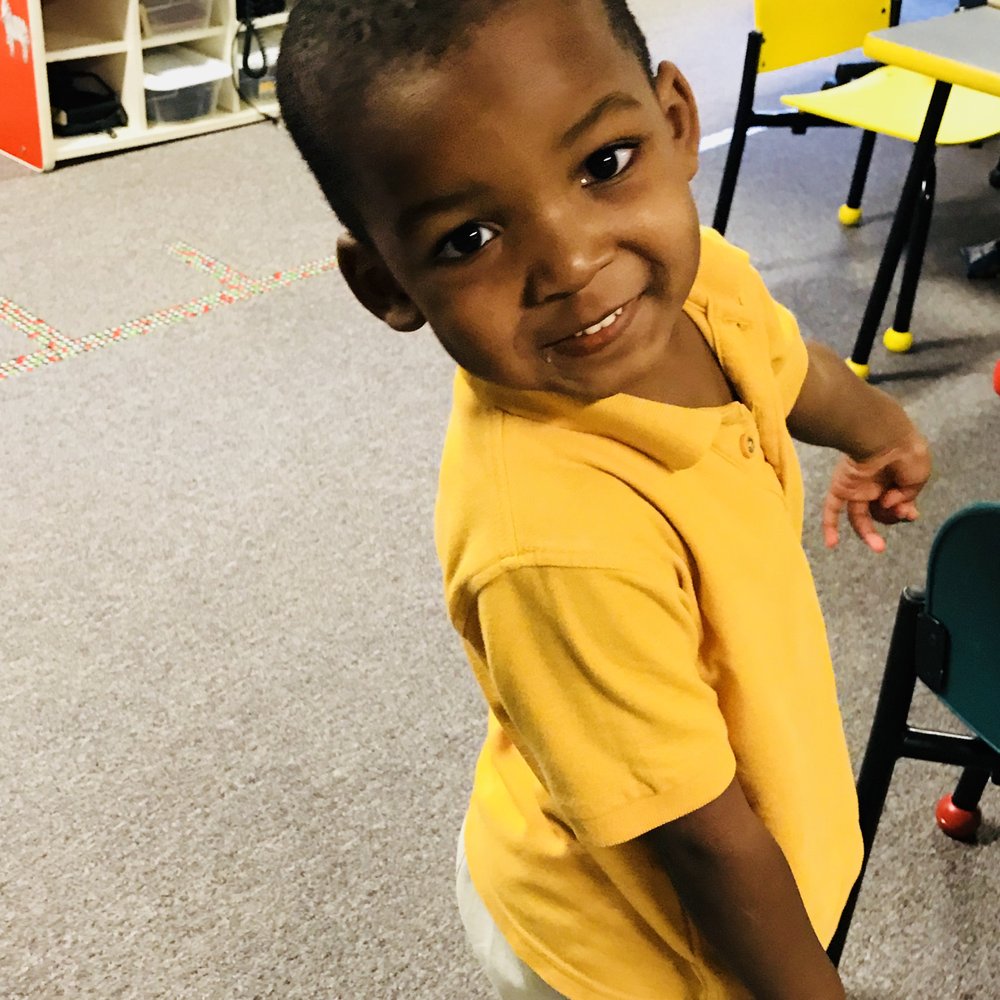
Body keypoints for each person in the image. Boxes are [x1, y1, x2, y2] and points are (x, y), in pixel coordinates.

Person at [276, 2, 932, 997]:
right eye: (470, 237)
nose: (574, 263)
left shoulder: (693, 282)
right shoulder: (555, 541)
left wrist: (878, 430)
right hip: (628, 951)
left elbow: (783, 360)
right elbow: (703, 840)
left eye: (602, 165)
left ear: (674, 123)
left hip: (728, 828)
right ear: (386, 285)